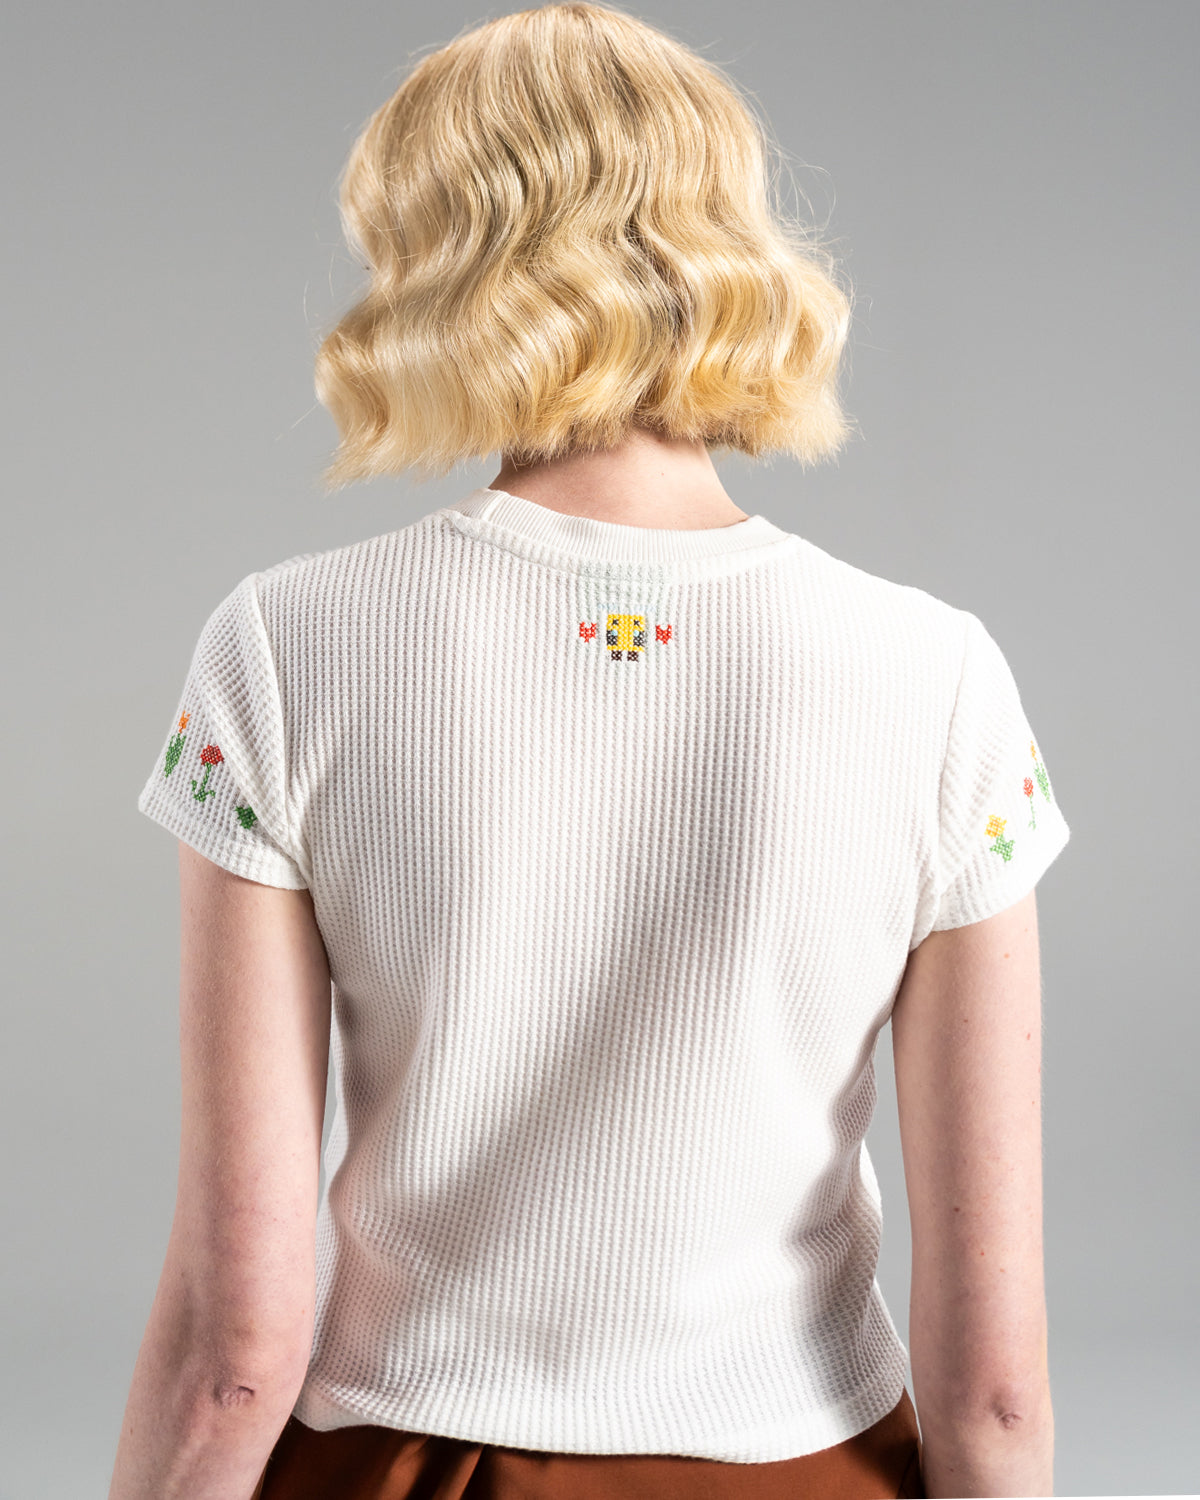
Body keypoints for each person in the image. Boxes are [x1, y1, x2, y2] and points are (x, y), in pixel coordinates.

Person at [108, 5, 1069, 1497]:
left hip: (406, 1465)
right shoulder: (942, 677)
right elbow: (995, 1393)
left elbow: (234, 1354)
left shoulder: (284, 647)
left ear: (431, 261)